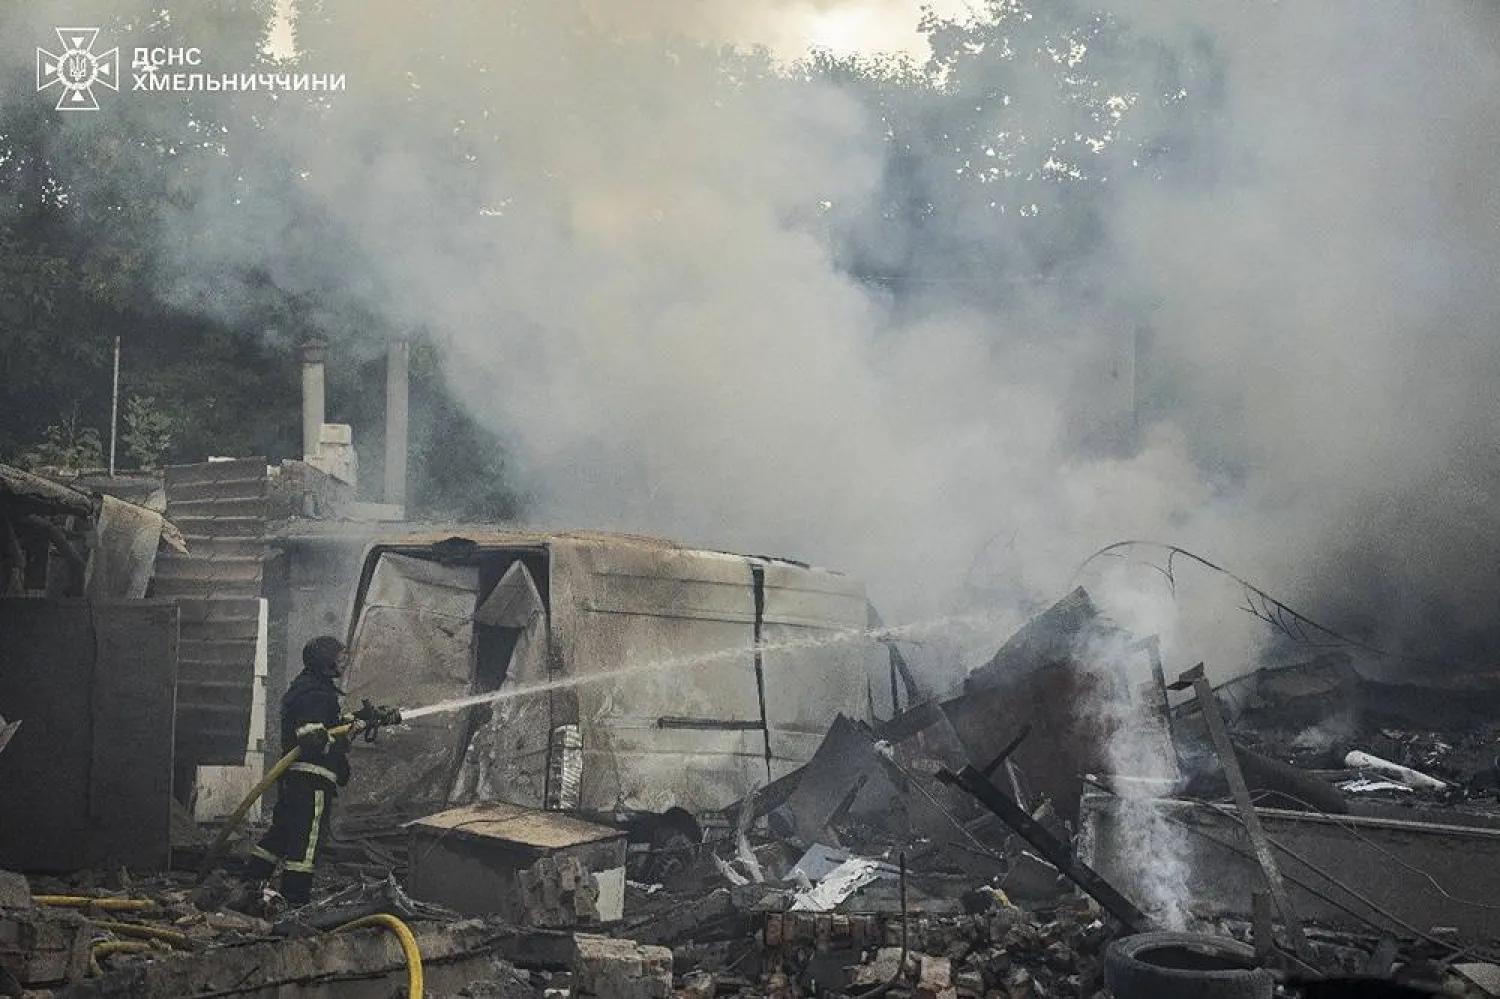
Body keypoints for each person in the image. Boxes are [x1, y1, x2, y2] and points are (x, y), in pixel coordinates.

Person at [242, 635, 353, 905]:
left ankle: (252, 881)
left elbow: (320, 726)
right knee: (307, 840)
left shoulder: (306, 688)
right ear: (326, 661)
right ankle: (295, 897)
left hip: (296, 779)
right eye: (340, 658)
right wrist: (341, 737)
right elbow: (313, 738)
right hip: (312, 780)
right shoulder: (318, 694)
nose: (344, 662)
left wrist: (350, 723)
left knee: (283, 832)